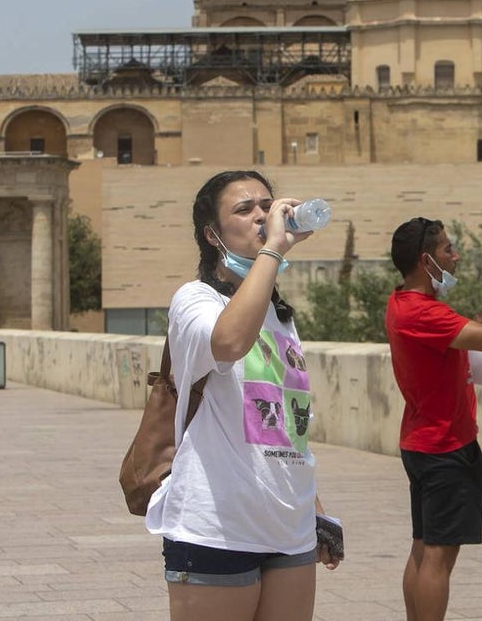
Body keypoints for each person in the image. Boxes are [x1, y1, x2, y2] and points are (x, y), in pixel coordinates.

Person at [145, 170, 340, 621]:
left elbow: (286, 427)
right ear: (212, 235)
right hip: (217, 527)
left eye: (266, 205)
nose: (262, 215)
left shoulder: (279, 316)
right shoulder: (195, 301)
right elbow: (229, 342)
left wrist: (315, 509)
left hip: (288, 527)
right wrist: (273, 248)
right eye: (244, 208)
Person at [385, 217, 482, 621]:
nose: (456, 256)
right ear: (425, 260)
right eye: (447, 249)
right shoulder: (423, 313)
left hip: (421, 443)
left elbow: (457, 340)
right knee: (438, 556)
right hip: (446, 447)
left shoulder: (403, 303)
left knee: (422, 548)